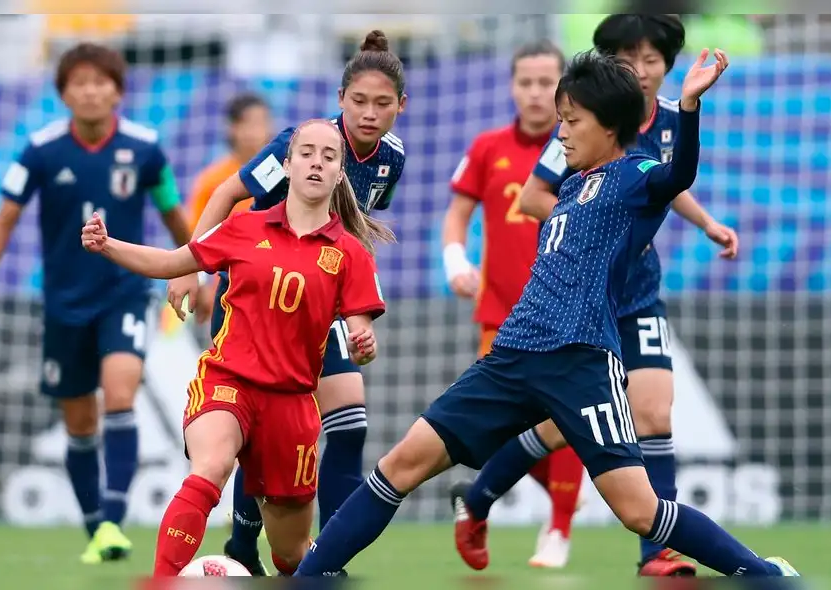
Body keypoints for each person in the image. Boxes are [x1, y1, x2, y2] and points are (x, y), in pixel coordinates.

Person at [293, 50, 799, 580]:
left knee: (638, 510)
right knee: (399, 465)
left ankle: (761, 572)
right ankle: (311, 575)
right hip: (510, 357)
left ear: (610, 126)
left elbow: (678, 175)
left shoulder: (637, 175)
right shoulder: (572, 184)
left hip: (580, 363)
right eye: (561, 119)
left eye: (572, 120)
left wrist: (690, 106)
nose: (561, 131)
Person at [453, 14, 741, 577]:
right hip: (584, 306)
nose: (642, 69)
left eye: (653, 59)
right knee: (559, 426)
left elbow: (661, 184)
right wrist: (594, 232)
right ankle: (480, 496)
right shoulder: (584, 130)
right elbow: (535, 198)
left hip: (638, 300)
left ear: (666, 67)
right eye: (629, 59)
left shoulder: (660, 126)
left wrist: (706, 223)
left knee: (655, 413)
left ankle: (657, 554)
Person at [81, 119, 393, 577]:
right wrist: (108, 246)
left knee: (290, 556)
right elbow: (173, 261)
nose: (316, 162)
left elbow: (361, 329)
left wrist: (365, 342)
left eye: (329, 157)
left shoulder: (350, 254)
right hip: (229, 381)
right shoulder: (243, 227)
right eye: (306, 153)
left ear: (340, 174)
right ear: (286, 165)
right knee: (212, 465)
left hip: (292, 405)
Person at [165, 29, 407, 576]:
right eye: (359, 102)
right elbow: (230, 193)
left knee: (349, 421)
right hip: (255, 300)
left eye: (382, 104)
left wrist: (356, 298)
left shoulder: (391, 160)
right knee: (255, 428)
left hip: (316, 305)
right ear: (340, 100)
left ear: (401, 107)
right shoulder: (300, 143)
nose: (369, 114)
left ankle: (328, 555)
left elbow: (348, 226)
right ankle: (242, 546)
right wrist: (188, 269)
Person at [0, 42, 192, 565]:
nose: (90, 91)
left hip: (126, 294)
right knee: (80, 423)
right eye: (78, 83)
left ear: (117, 89)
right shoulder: (40, 150)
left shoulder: (146, 148)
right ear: (63, 93)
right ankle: (97, 529)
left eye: (100, 81)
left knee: (120, 393)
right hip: (65, 306)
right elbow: (3, 220)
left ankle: (113, 517)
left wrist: (193, 269)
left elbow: (174, 214)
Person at [441, 39, 586, 569]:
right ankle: (555, 497)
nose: (535, 93)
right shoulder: (486, 147)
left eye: (546, 82)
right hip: (500, 312)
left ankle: (559, 528)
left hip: (566, 311)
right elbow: (457, 213)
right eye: (525, 82)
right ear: (510, 86)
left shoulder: (580, 145)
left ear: (564, 87)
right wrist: (455, 260)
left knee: (561, 418)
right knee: (506, 424)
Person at [185, 92, 274, 329]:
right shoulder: (212, 181)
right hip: (225, 292)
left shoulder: (285, 177)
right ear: (232, 129)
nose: (255, 131)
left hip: (273, 287)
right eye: (248, 123)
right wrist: (201, 283)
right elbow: (196, 237)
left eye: (261, 123)